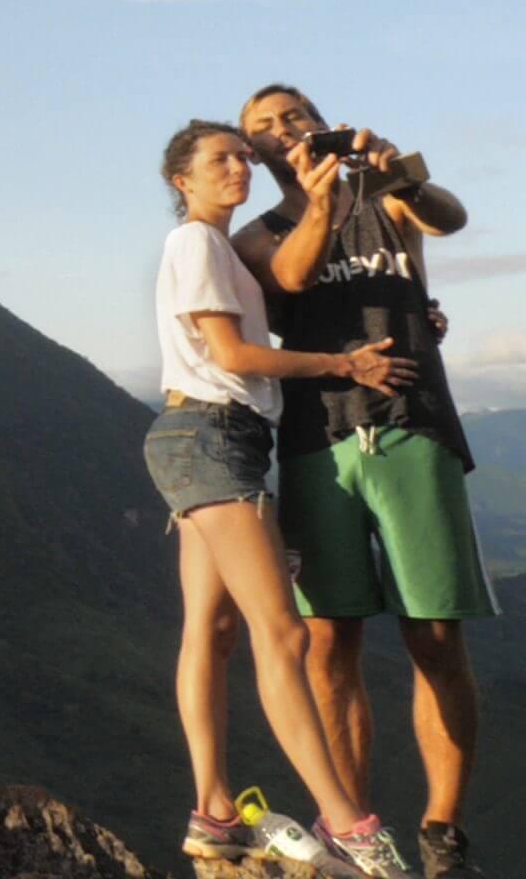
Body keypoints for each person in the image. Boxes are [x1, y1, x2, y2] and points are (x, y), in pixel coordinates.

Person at [234, 86, 495, 879]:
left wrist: (399, 178)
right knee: (327, 641)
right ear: (256, 154)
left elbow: (448, 217)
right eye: (264, 130)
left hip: (414, 425)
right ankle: (353, 830)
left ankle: (442, 831)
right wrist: (318, 204)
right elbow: (289, 278)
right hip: (317, 439)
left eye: (294, 116)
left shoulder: (389, 193)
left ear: (322, 120)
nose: (285, 132)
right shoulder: (256, 235)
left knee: (435, 633)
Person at [146, 121, 415, 877]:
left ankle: (215, 813)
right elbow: (230, 355)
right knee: (284, 635)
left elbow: (287, 285)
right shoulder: (196, 244)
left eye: (241, 158)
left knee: (213, 630)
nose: (238, 168)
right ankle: (348, 825)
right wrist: (344, 363)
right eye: (218, 161)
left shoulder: (221, 250)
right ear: (182, 180)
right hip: (212, 435)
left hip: (202, 436)